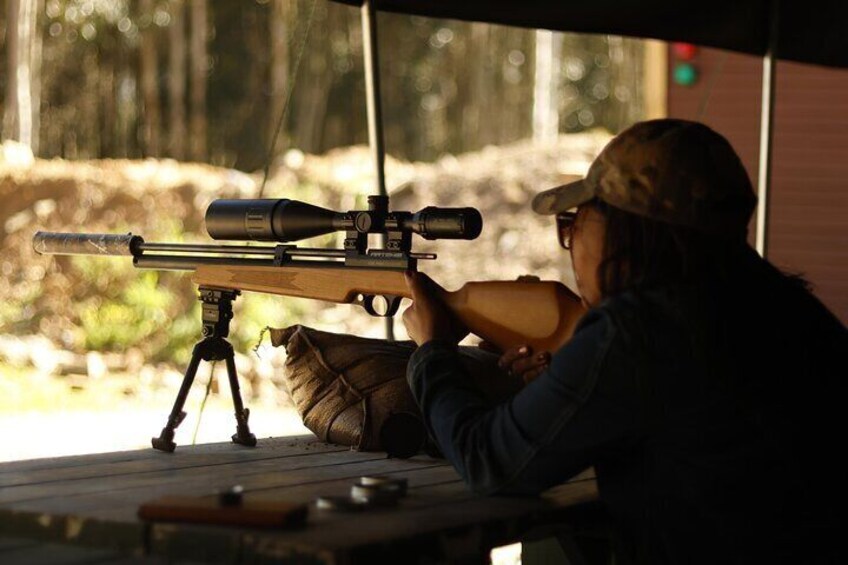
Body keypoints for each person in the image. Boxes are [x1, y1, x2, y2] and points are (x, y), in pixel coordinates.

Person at [401, 119, 847, 565]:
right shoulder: (790, 307)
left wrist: (432, 350)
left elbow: (489, 461)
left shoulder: (638, 330)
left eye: (577, 222)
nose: (571, 241)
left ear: (625, 231)